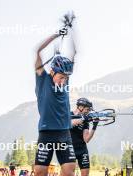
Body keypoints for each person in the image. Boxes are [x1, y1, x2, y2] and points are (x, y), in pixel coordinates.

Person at [34, 12, 77, 176]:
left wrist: (71, 32)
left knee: (69, 171)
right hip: (46, 132)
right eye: (61, 77)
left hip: (64, 133)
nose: (63, 81)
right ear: (52, 72)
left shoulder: (65, 79)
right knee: (40, 171)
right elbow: (38, 52)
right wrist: (57, 35)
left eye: (66, 78)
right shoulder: (42, 78)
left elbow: (74, 54)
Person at [70, 98, 99, 176]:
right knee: (68, 173)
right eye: (87, 109)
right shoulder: (69, 114)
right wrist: (82, 119)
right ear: (80, 107)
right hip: (70, 149)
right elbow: (68, 124)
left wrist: (94, 127)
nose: (88, 111)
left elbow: (86, 139)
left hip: (82, 150)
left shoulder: (86, 120)